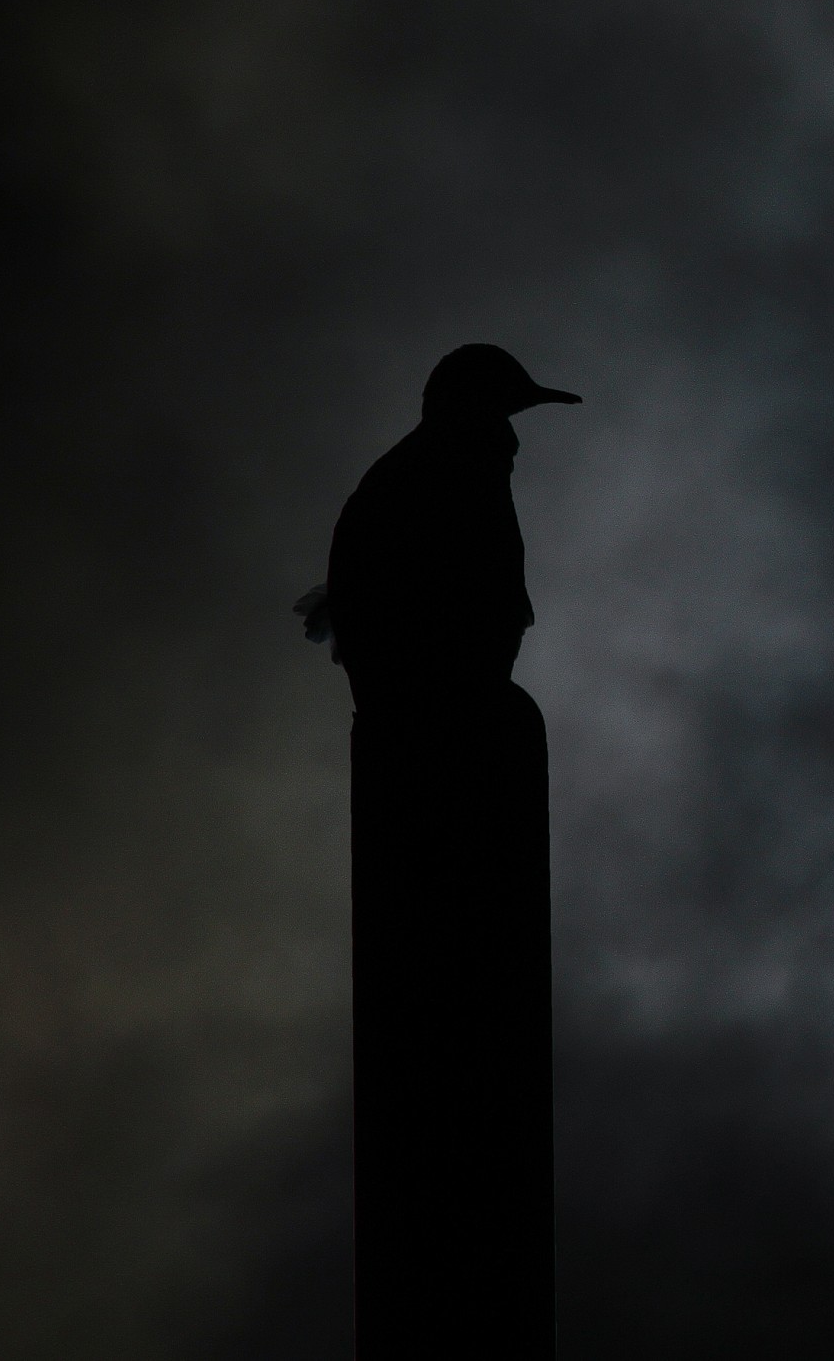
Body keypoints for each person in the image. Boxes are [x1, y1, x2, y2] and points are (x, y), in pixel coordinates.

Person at [303, 343, 579, 1354]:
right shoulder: (439, 482)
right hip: (430, 731)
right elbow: (460, 605)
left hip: (427, 727)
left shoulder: (412, 479)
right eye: (503, 405)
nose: (513, 426)